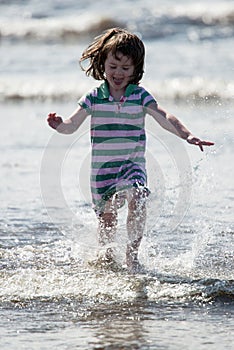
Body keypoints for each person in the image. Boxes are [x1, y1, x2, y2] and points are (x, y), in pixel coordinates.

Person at [47, 27, 214, 273]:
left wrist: (186, 135)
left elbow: (164, 115)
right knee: (107, 221)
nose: (118, 73)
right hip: (102, 174)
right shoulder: (94, 97)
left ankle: (132, 256)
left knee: (138, 196)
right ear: (103, 63)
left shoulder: (139, 96)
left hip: (131, 166)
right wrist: (59, 125)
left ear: (136, 70)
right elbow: (71, 126)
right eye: (113, 66)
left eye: (126, 68)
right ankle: (106, 258)